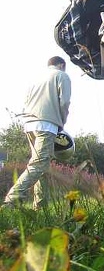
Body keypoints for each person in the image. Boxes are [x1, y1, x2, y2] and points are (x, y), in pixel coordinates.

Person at [2, 56, 72, 209]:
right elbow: (65, 102)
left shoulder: (36, 78)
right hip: (46, 125)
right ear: (61, 65)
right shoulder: (62, 76)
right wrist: (62, 122)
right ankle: (10, 201)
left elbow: (26, 100)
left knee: (43, 166)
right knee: (38, 165)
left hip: (29, 125)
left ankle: (40, 207)